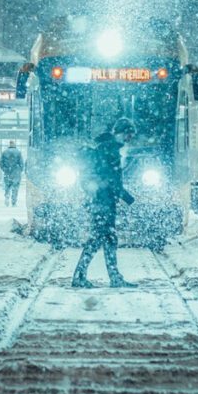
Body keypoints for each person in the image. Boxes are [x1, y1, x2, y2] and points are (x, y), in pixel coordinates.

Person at [71, 117, 137, 289]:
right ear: (120, 133)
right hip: (103, 201)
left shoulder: (107, 147)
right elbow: (110, 179)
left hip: (102, 200)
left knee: (108, 239)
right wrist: (127, 197)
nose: (129, 139)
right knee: (98, 239)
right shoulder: (109, 149)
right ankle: (80, 276)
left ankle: (113, 277)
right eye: (128, 135)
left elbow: (108, 177)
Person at [0, 140, 25, 207]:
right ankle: (14, 202)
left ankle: (7, 196)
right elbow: (21, 163)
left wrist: (4, 169)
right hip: (16, 173)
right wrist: (20, 170)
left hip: (7, 172)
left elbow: (1, 163)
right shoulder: (18, 152)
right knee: (15, 188)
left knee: (7, 186)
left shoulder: (4, 152)